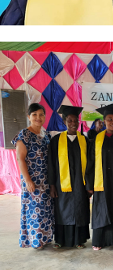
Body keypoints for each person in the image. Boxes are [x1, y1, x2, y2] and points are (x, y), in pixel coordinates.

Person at [85, 104, 113, 250]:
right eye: (109, 119)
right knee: (101, 211)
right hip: (102, 182)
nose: (112, 122)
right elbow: (90, 163)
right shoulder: (97, 139)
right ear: (104, 121)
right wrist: (89, 185)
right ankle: (98, 241)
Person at [47, 106, 91, 249]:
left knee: (79, 210)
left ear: (79, 122)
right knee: (62, 211)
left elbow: (90, 165)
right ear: (65, 121)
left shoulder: (84, 140)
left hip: (80, 184)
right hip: (61, 184)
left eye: (75, 120)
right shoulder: (56, 140)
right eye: (69, 120)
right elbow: (51, 164)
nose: (73, 123)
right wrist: (52, 185)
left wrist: (89, 186)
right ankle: (60, 240)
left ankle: (79, 240)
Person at [12, 103, 54, 249]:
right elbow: (20, 159)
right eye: (34, 114)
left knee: (45, 209)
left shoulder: (46, 135)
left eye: (41, 114)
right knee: (34, 210)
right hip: (32, 180)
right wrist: (28, 180)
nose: (38, 117)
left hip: (45, 179)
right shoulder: (24, 135)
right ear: (29, 116)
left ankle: (46, 237)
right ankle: (36, 241)